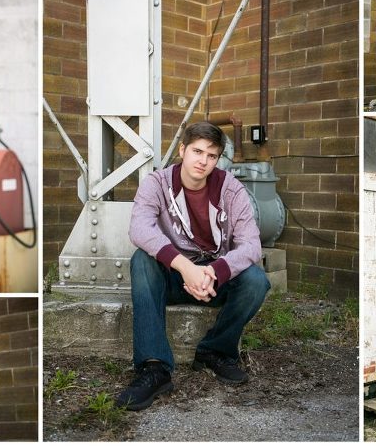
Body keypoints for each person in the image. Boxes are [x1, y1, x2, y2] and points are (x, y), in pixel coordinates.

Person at [115, 122, 270, 411]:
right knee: (142, 260)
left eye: (212, 155)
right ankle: (154, 368)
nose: (203, 161)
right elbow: (139, 229)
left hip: (213, 280)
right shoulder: (156, 183)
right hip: (174, 277)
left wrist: (214, 272)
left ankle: (214, 351)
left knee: (256, 280)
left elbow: (251, 245)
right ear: (182, 150)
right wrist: (186, 267)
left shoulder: (231, 189)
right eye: (197, 151)